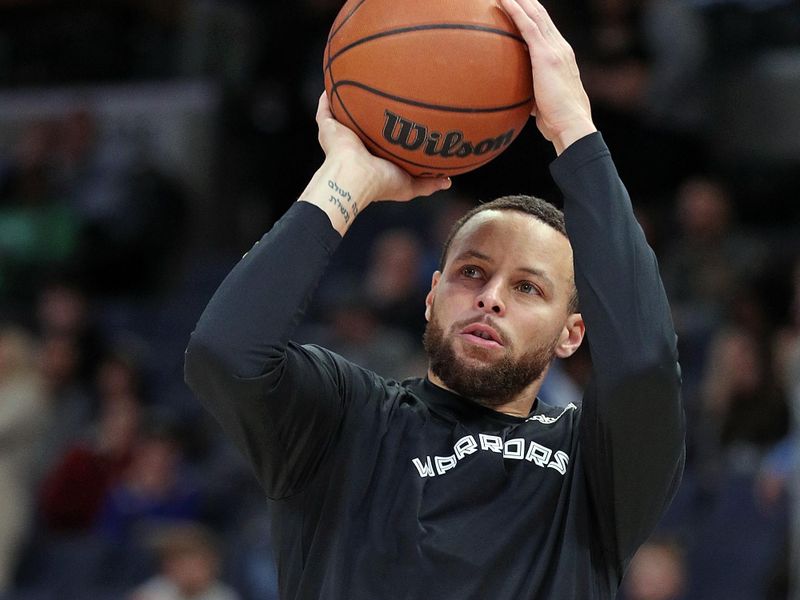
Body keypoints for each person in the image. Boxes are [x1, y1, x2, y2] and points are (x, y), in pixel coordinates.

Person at [184, 0, 685, 598]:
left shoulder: (592, 465)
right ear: (431, 296)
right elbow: (225, 352)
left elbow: (645, 368)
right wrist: (343, 181)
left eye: (527, 287)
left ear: (572, 333)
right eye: (471, 272)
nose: (491, 298)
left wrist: (575, 127)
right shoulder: (347, 418)